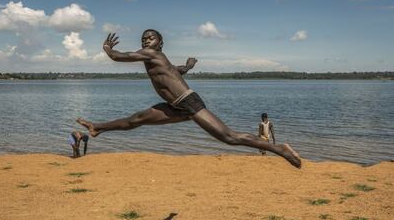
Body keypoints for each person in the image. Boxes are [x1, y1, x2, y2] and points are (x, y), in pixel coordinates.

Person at [76, 29, 301, 168]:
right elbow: (177, 71)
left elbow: (119, 56)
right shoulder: (157, 59)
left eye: (151, 38)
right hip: (176, 105)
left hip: (188, 102)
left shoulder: (151, 54)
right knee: (137, 119)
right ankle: (97, 127)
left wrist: (107, 49)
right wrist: (189, 66)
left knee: (229, 137)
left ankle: (279, 149)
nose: (146, 41)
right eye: (144, 39)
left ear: (159, 44)